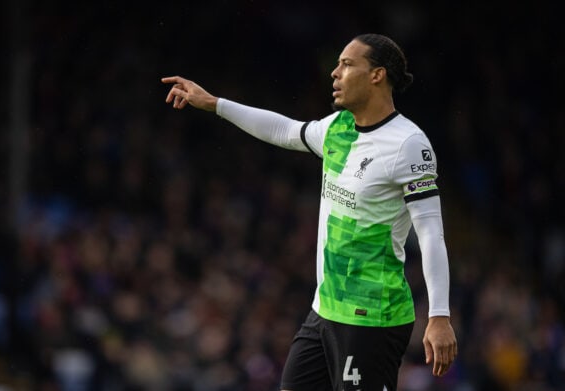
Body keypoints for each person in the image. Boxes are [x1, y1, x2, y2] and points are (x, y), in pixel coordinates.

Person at [161, 33, 457, 391]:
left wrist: (439, 315)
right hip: (325, 310)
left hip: (372, 317)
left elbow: (430, 232)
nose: (335, 73)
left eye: (347, 64)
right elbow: (285, 130)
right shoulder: (338, 128)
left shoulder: (408, 145)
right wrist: (214, 103)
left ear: (377, 75)